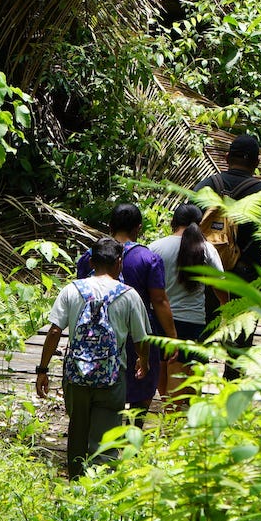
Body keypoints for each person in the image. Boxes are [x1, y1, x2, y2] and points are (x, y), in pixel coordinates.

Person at [36, 238, 152, 477]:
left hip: (76, 376)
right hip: (112, 376)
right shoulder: (129, 295)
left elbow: (55, 331)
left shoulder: (72, 290)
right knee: (107, 435)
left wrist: (43, 370)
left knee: (78, 428)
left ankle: (76, 479)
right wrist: (143, 360)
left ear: (91, 262)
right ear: (119, 263)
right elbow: (141, 338)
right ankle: (100, 484)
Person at [74, 202, 176, 412]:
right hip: (138, 331)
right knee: (143, 382)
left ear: (110, 227)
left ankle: (105, 421)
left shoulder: (90, 257)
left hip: (99, 331)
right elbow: (159, 300)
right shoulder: (148, 258)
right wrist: (172, 337)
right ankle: (136, 425)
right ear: (138, 228)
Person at [148, 201, 224, 392]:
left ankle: (167, 406)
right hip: (191, 321)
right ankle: (174, 409)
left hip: (159, 318)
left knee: (162, 368)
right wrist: (226, 308)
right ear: (200, 224)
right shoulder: (207, 249)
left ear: (173, 222)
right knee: (181, 373)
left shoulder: (155, 247)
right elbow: (220, 285)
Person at [196, 134, 261, 280]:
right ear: (257, 163)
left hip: (207, 279)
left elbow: (183, 233)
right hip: (247, 282)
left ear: (227, 158)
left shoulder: (204, 187)